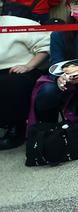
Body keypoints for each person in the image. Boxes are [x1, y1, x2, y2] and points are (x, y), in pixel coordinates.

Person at [0, 12, 50, 149]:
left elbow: (46, 45)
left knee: (11, 84)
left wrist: (29, 66)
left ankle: (16, 128)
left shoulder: (18, 23)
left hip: (22, 68)